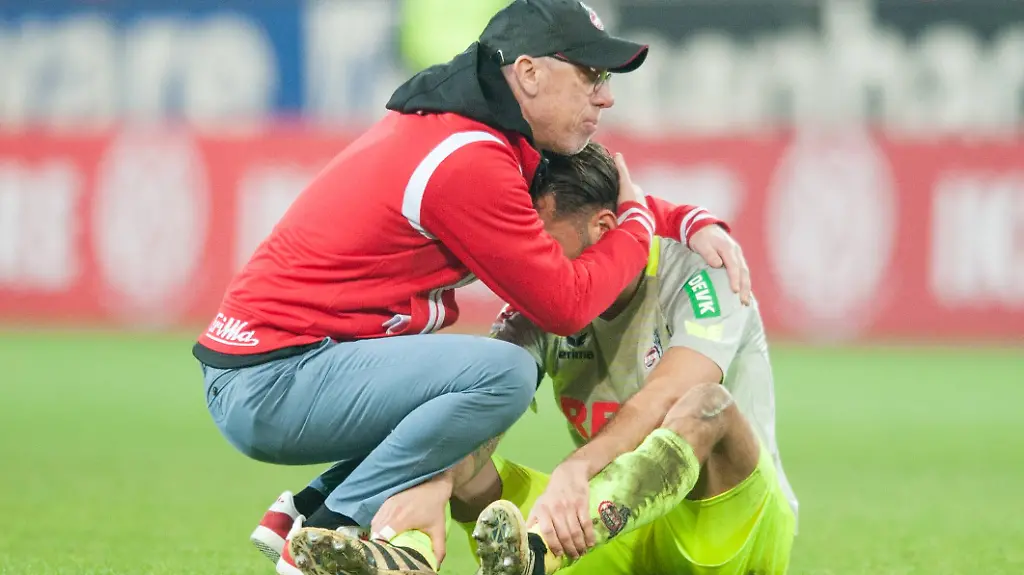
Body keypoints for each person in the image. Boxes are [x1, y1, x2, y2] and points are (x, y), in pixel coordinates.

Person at [195, 1, 750, 574]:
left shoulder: (478, 134)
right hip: (274, 381)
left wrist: (682, 219)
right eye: (590, 75)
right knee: (502, 375)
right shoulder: (469, 159)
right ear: (529, 73)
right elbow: (567, 306)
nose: (605, 96)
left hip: (281, 366)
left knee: (460, 391)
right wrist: (636, 228)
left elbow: (587, 204)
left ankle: (305, 512)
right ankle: (335, 524)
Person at [284, 142, 796, 575]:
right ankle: (406, 553)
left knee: (707, 404)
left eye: (543, 244)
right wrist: (437, 483)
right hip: (607, 529)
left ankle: (537, 555)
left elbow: (667, 396)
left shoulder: (705, 271)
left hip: (732, 531)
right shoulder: (541, 303)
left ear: (604, 228)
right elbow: (474, 414)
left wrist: (580, 466)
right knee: (449, 444)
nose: (531, 264)